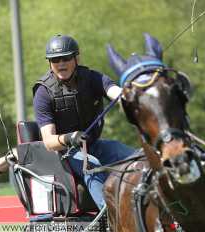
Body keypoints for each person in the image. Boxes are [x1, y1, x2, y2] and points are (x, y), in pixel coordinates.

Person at [33, 34, 135, 210]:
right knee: (91, 164)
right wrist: (70, 137)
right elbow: (49, 142)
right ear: (49, 63)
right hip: (65, 154)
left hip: (94, 145)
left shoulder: (92, 77)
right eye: (55, 59)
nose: (61, 64)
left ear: (76, 58)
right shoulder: (43, 93)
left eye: (66, 58)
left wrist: (130, 96)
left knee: (136, 156)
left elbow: (114, 91)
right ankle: (111, 215)